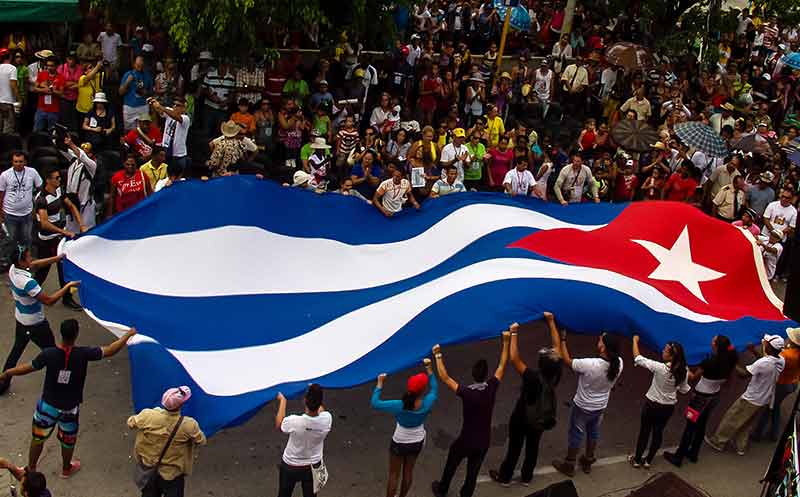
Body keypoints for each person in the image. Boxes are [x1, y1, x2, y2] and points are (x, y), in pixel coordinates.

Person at [0, 320, 136, 476]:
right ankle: (66, 468)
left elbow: (28, 367)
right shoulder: (84, 354)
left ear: (61, 334)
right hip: (69, 408)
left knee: (38, 438)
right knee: (68, 440)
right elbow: (111, 350)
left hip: (47, 405)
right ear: (76, 334)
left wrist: (8, 373)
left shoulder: (48, 354)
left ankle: (31, 468)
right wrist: (128, 335)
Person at [431, 330, 510, 497]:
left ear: (473, 375)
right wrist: (507, 341)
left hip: (466, 439)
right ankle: (466, 494)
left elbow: (445, 377)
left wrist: (438, 355)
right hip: (483, 441)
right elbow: (502, 365)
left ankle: (443, 489)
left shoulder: (467, 393)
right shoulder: (491, 388)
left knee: (452, 463)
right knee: (472, 473)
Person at [489, 313, 563, 486]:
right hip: (539, 420)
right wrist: (551, 322)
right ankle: (527, 477)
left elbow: (514, 358)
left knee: (514, 447)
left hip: (522, 416)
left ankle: (505, 477)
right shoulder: (555, 375)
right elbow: (557, 346)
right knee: (533, 447)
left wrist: (514, 332)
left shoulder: (532, 377)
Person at [0, 247, 79, 394]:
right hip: (36, 325)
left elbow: (35, 264)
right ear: (22, 262)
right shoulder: (28, 283)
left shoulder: (13, 269)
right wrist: (67, 286)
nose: (32, 259)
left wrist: (58, 258)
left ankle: (3, 382)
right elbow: (49, 301)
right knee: (55, 354)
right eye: (29, 257)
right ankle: (61, 384)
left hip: (21, 320)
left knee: (15, 352)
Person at [552, 332, 623, 476]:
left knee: (576, 434)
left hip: (582, 406)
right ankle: (588, 460)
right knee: (593, 433)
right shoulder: (619, 363)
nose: (598, 340)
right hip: (600, 406)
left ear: (604, 348)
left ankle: (569, 464)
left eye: (600, 340)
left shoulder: (590, 364)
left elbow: (567, 360)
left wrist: (563, 339)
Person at [664, 335, 739, 467]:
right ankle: (693, 453)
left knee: (690, 426)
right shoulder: (730, 361)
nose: (711, 341)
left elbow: (693, 377)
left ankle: (679, 456)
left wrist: (684, 365)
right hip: (714, 396)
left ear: (716, 346)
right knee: (701, 425)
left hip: (700, 397)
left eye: (713, 340)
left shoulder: (709, 362)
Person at [705, 334, 785, 456]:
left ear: (770, 347)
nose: (764, 344)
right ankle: (740, 447)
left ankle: (718, 442)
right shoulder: (780, 361)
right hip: (765, 399)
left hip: (751, 399)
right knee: (747, 424)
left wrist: (731, 362)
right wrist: (753, 351)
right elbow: (765, 360)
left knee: (732, 419)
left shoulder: (763, 363)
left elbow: (743, 374)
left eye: (766, 344)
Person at [372, 359, 437, 497]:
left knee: (394, 475)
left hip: (399, 441)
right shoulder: (428, 402)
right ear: (422, 390)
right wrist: (429, 368)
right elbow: (435, 387)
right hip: (417, 441)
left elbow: (375, 402)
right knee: (408, 472)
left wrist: (380, 383)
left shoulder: (398, 405)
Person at [128, 386, 207, 497]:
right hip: (172, 473)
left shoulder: (147, 415)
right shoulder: (189, 425)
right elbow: (201, 441)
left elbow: (131, 422)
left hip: (149, 469)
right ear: (180, 405)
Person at [629, 336, 689, 468]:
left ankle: (637, 459)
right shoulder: (683, 371)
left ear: (671, 356)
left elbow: (638, 358)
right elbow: (684, 390)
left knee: (644, 432)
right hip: (668, 407)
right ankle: (648, 460)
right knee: (658, 432)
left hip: (652, 405)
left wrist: (635, 341)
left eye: (665, 350)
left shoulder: (660, 368)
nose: (663, 351)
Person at [33, 167, 85, 310]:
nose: (59, 179)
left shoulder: (59, 191)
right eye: (56, 178)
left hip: (58, 238)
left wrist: (81, 224)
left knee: (63, 267)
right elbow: (44, 223)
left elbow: (71, 205)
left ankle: (67, 298)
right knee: (43, 270)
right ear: (48, 180)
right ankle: (30, 293)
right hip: (47, 240)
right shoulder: (42, 199)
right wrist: (64, 232)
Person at [274, 384, 332, 497]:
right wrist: (315, 393)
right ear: (320, 402)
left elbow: (279, 424)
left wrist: (283, 401)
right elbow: (321, 411)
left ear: (304, 401)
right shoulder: (326, 420)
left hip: (290, 465)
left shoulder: (295, 421)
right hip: (313, 466)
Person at [752, 327, 800, 442]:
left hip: (781, 384)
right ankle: (773, 433)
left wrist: (762, 347)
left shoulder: (787, 355)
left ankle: (759, 433)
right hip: (792, 383)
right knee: (775, 406)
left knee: (769, 407)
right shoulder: (794, 353)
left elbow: (769, 360)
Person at [0, 151, 42, 253]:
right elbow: (1, 194)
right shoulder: (5, 175)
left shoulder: (32, 172)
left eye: (20, 161)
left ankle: (26, 260)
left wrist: (35, 209)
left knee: (27, 238)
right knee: (11, 240)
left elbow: (40, 189)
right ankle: (12, 262)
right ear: (12, 162)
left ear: (25, 162)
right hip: (9, 213)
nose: (18, 164)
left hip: (27, 213)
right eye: (16, 161)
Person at [63, 134, 98, 233]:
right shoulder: (73, 160)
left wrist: (71, 144)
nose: (80, 153)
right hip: (71, 201)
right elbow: (62, 150)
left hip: (84, 204)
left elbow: (82, 156)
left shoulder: (91, 165)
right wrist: (60, 137)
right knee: (71, 232)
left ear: (90, 154)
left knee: (87, 232)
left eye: (86, 151)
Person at [150, 96, 191, 173]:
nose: (175, 107)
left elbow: (176, 117)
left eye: (178, 105)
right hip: (165, 151)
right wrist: (153, 103)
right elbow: (159, 110)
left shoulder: (186, 118)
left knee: (178, 179)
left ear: (184, 108)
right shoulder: (170, 112)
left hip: (178, 155)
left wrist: (161, 107)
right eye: (174, 104)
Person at [119, 56, 154, 132]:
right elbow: (120, 92)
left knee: (144, 130)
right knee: (129, 131)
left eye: (141, 64)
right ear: (134, 64)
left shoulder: (147, 75)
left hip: (143, 106)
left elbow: (151, 93)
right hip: (129, 106)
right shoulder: (128, 74)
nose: (140, 66)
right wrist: (127, 82)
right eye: (138, 64)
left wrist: (146, 92)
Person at [108, 154, 149, 218]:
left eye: (133, 165)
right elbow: (112, 197)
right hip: (122, 213)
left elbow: (149, 193)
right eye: (127, 164)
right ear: (124, 164)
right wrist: (110, 214)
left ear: (136, 165)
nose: (130, 166)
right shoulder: (116, 177)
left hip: (140, 212)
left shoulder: (142, 175)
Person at [33, 57, 64, 132]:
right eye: (48, 65)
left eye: (52, 65)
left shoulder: (61, 77)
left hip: (54, 110)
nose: (49, 67)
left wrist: (52, 90)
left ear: (57, 66)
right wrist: (44, 90)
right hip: (41, 109)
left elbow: (61, 93)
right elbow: (35, 89)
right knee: (37, 130)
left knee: (52, 132)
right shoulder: (41, 74)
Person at [0, 48, 20, 134]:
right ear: (10, 57)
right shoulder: (12, 68)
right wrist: (19, 99)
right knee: (8, 127)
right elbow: (13, 85)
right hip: (7, 102)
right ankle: (5, 146)